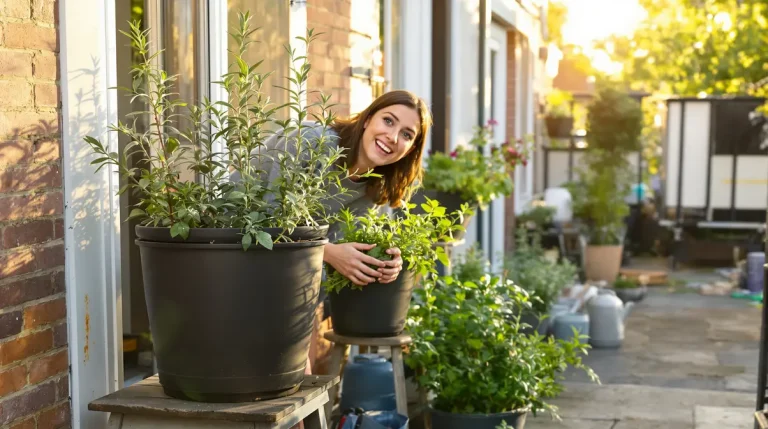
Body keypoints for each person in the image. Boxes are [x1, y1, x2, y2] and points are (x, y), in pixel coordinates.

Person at [230, 90, 432, 371]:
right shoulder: (311, 143)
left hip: (287, 277)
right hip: (229, 250)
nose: (393, 137)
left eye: (407, 135)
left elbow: (342, 250)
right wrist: (328, 252)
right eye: (388, 121)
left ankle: (299, 403)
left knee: (301, 351)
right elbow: (267, 220)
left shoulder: (370, 189)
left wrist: (385, 260)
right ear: (367, 119)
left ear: (411, 149)